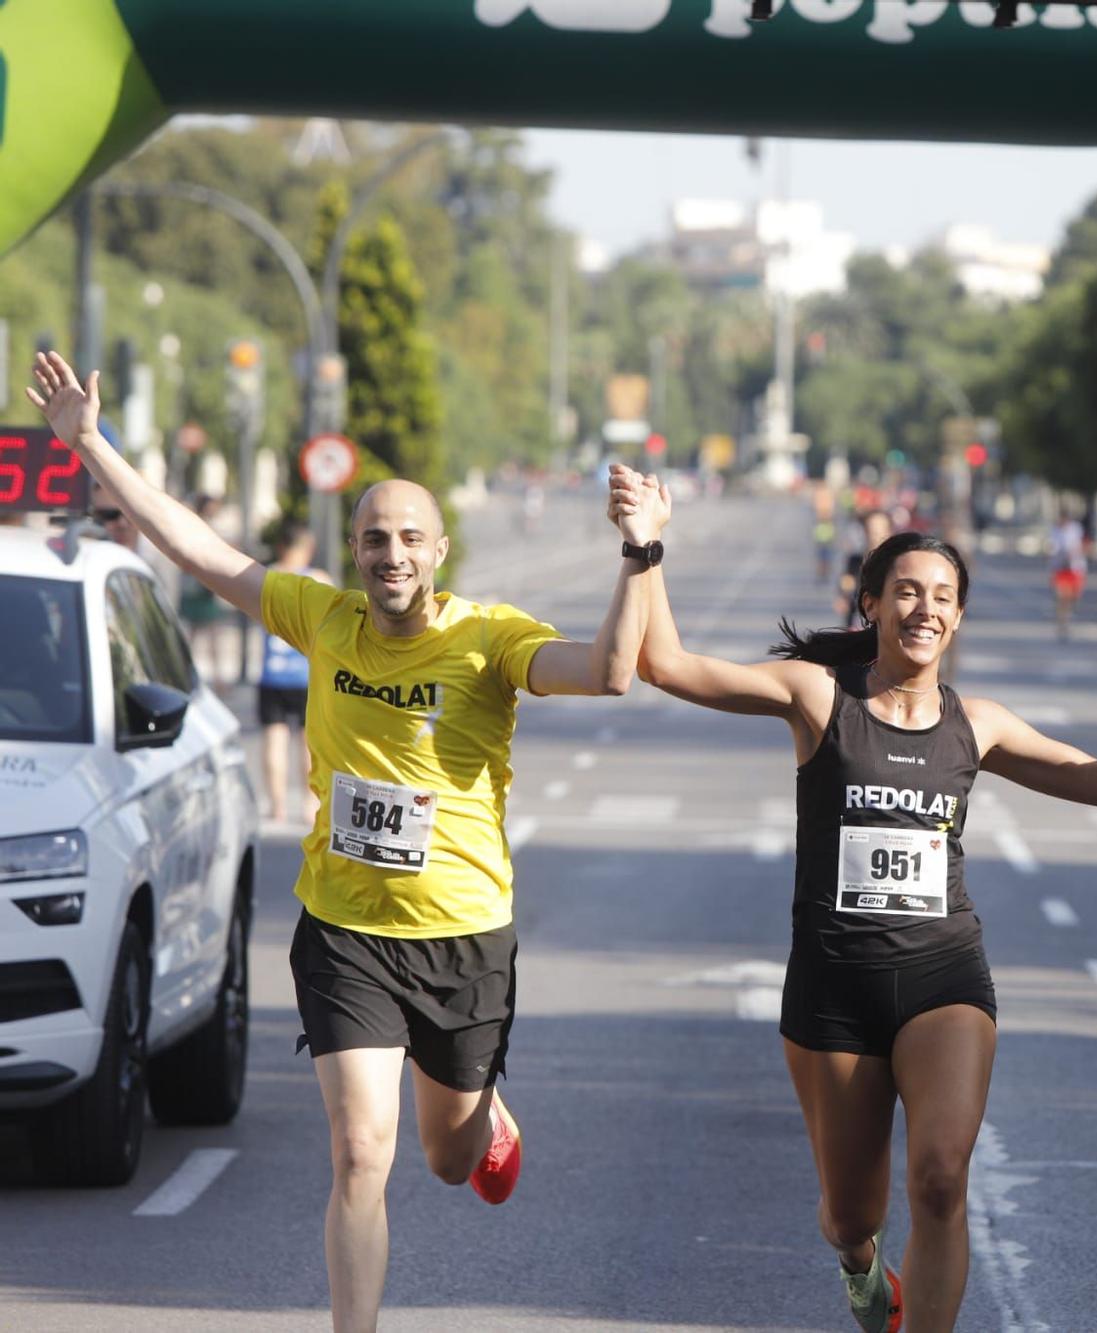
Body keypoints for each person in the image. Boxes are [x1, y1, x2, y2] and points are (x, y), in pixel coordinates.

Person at [30, 350, 655, 1333]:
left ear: (439, 549)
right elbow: (196, 548)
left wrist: (640, 554)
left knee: (445, 1161)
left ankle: (481, 1110)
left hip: (462, 937)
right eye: (373, 537)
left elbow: (615, 669)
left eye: (408, 537)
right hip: (344, 930)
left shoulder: (489, 640)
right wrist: (90, 443)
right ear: (352, 549)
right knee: (361, 1152)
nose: (390, 553)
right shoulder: (320, 619)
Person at [608, 464, 1097, 1332]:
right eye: (906, 591)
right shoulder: (816, 696)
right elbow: (666, 663)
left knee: (943, 1176)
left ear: (957, 617)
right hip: (833, 987)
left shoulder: (975, 722)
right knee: (851, 1217)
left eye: (943, 595)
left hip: (945, 974)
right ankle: (863, 1270)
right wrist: (645, 546)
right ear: (869, 603)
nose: (925, 609)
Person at [259, 520, 332, 826]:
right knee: (307, 743)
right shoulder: (317, 579)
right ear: (307, 549)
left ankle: (277, 806)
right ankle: (308, 804)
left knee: (274, 740)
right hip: (306, 674)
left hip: (271, 674)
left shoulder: (268, 577)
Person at [179, 494, 235, 682]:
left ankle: (213, 678)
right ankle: (187, 675)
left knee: (210, 637)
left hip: (205, 589)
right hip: (199, 587)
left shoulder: (204, 526)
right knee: (200, 636)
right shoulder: (197, 527)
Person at [838, 509, 894, 629]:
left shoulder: (896, 562)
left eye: (880, 529)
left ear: (889, 531)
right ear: (865, 531)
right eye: (872, 529)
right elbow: (847, 580)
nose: (876, 534)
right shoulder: (856, 560)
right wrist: (844, 595)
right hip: (858, 619)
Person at [1049, 504, 1088, 640]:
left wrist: (1077, 552)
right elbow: (1051, 547)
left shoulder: (1076, 529)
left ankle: (1070, 608)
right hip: (1060, 568)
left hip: (1075, 567)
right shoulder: (1054, 530)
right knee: (1061, 596)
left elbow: (1083, 545)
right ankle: (1062, 622)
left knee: (1073, 596)